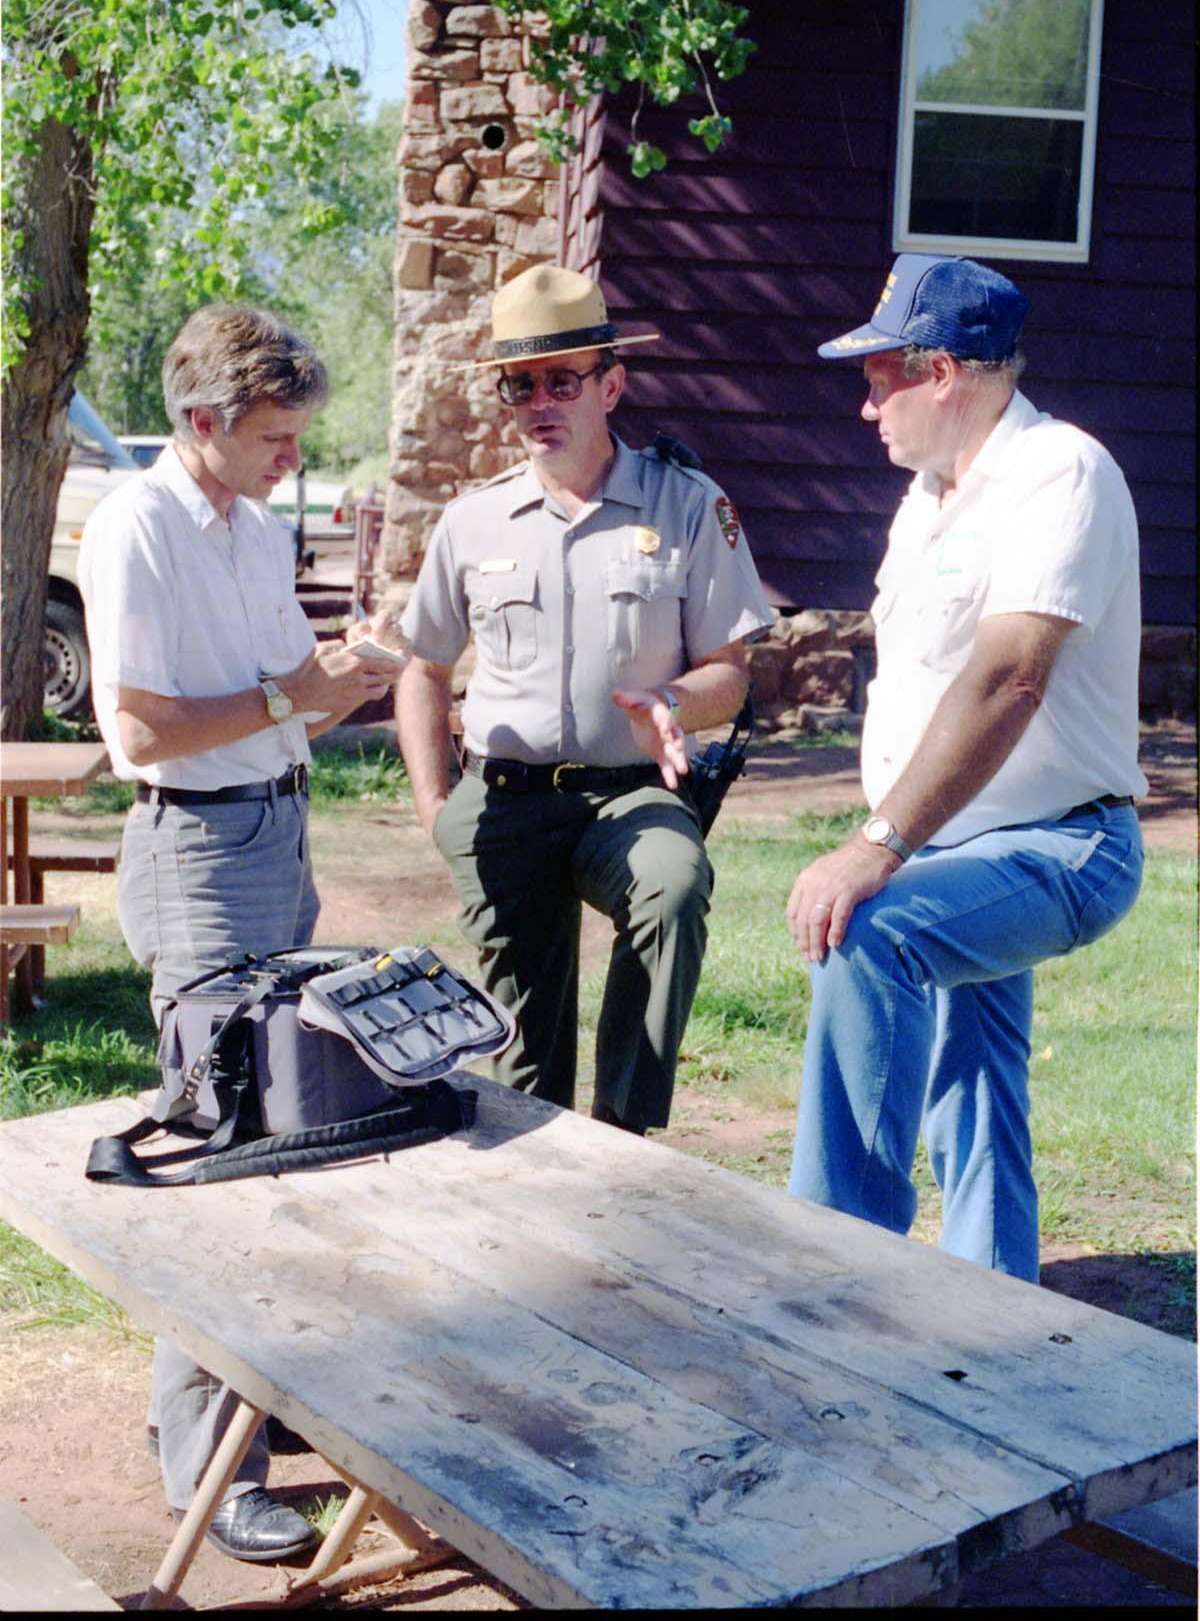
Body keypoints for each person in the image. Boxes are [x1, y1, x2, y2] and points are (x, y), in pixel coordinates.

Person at [79, 304, 402, 1561]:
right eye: (274, 437)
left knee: (290, 1133)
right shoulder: (134, 526)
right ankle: (207, 1468)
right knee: (223, 1148)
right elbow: (143, 733)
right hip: (196, 850)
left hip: (278, 836)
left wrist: (345, 679)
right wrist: (294, 695)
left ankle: (240, 1423)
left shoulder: (257, 531)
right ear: (200, 422)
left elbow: (288, 703)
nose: (291, 459)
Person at [785, 253, 1147, 1284]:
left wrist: (875, 845)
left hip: (1062, 843)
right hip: (960, 843)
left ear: (941, 371)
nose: (867, 407)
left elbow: (1007, 679)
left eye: (877, 376)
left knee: (868, 935)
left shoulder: (1060, 472)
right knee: (976, 1081)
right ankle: (998, 1307)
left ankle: (828, 1268)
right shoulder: (931, 497)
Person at [397, 264, 774, 1135]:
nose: (540, 402)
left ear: (611, 385)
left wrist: (673, 702)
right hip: (506, 801)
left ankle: (622, 1127)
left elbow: (731, 669)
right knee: (522, 1066)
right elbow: (423, 667)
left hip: (631, 794)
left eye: (561, 380)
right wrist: (432, 804)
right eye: (519, 384)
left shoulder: (688, 505)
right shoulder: (472, 521)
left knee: (674, 891)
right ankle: (537, 1191)